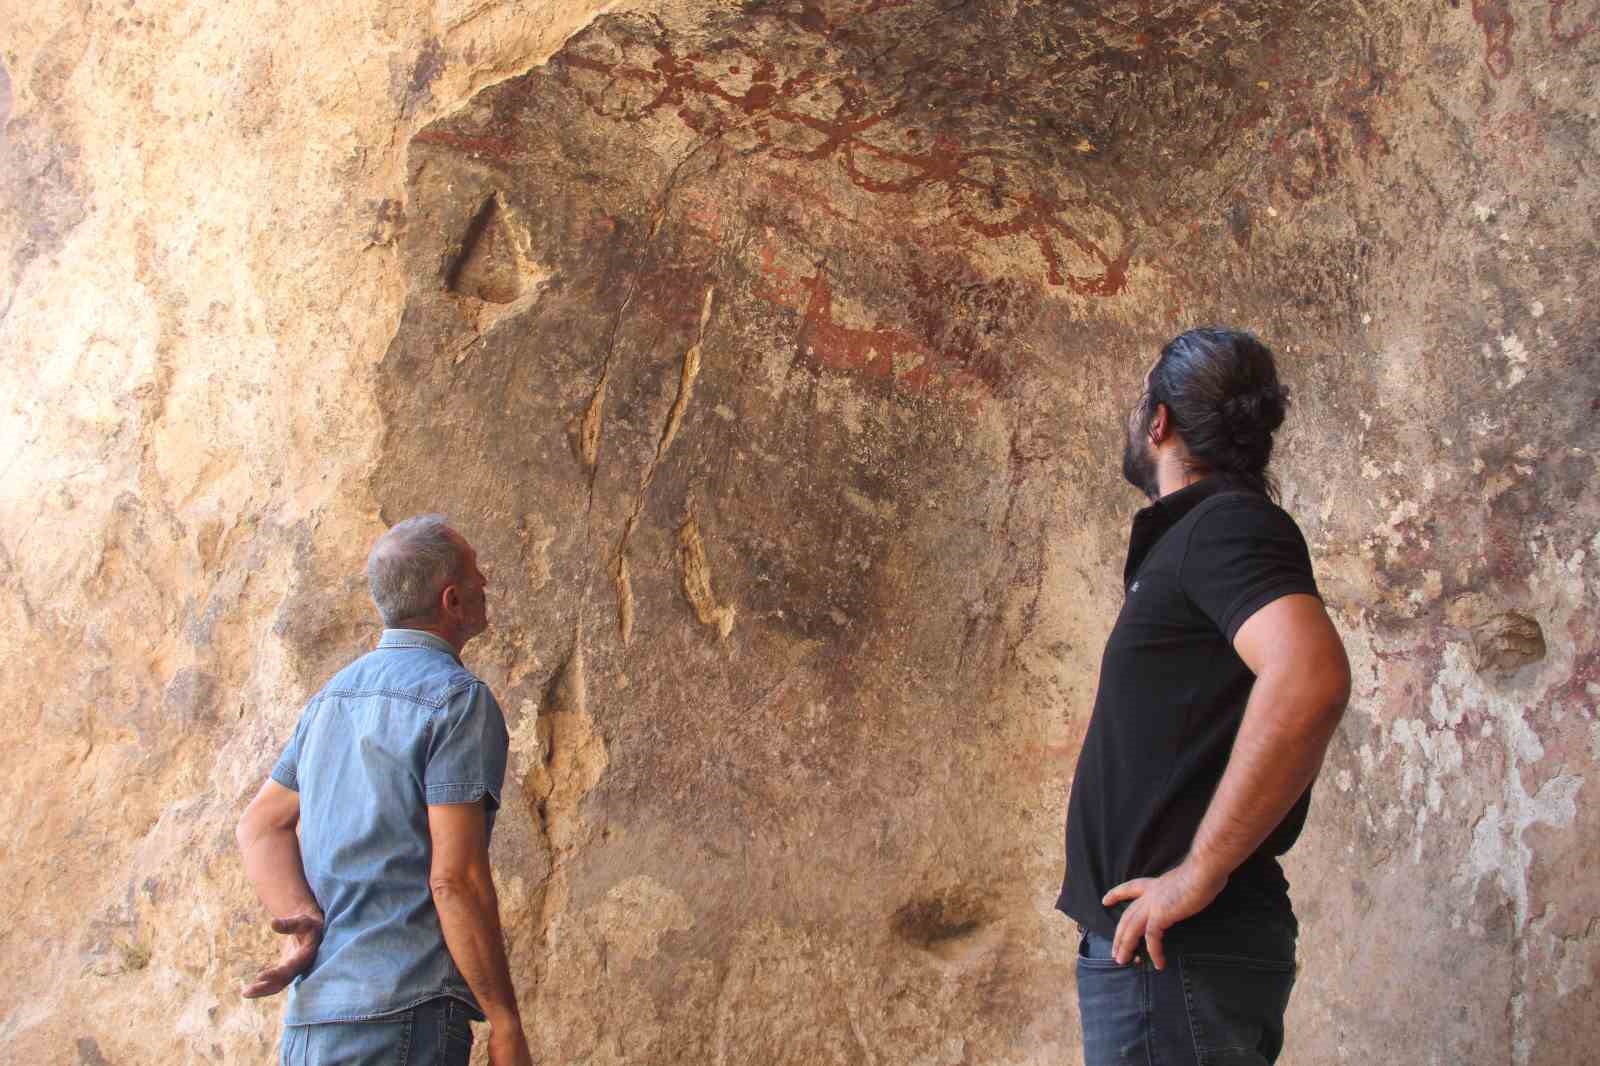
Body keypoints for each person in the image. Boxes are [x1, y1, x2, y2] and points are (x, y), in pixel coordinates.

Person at [1059, 329, 1352, 1065]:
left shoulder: (1224, 528)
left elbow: (1310, 675)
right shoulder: (1200, 537)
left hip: (1176, 961)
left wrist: (1198, 873)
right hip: (1167, 964)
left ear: (1159, 422)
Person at [236, 515, 533, 1066]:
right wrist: (504, 1021)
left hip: (312, 1023)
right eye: (475, 573)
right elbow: (456, 879)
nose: (486, 582)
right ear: (452, 600)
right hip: (403, 1017)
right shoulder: (457, 701)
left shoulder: (329, 700)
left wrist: (301, 920)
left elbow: (260, 823)